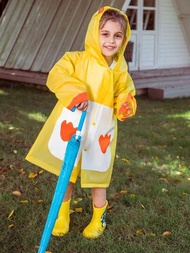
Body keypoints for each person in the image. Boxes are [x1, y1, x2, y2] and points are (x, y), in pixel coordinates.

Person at [26, 6, 137, 239]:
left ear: (124, 39)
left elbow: (124, 94)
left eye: (117, 36)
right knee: (67, 171)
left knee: (98, 175)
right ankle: (62, 214)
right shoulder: (76, 59)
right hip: (75, 124)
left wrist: (126, 105)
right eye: (105, 34)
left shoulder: (120, 69)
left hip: (101, 131)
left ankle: (99, 217)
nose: (111, 41)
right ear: (93, 33)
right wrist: (76, 93)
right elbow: (56, 76)